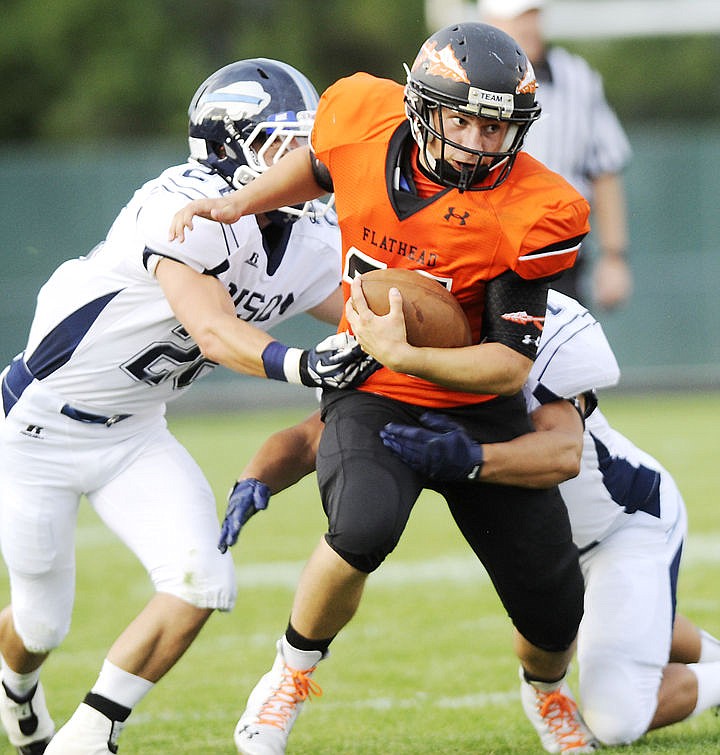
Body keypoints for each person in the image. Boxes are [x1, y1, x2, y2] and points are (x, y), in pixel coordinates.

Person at [171, 22, 598, 754]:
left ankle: (548, 692)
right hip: (371, 386)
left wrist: (410, 351)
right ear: (421, 109)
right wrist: (242, 202)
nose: (479, 141)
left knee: (555, 604)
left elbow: (508, 365)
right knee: (362, 526)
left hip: (474, 403)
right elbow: (319, 164)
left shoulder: (533, 209)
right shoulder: (362, 116)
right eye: (462, 119)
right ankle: (289, 672)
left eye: (498, 127)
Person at [0, 58, 375, 755]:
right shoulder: (180, 206)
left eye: (309, 144)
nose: (305, 160)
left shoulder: (309, 237)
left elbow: (368, 312)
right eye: (285, 143)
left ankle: (87, 735)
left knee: (203, 577)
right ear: (229, 145)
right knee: (42, 626)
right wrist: (301, 365)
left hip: (137, 433)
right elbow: (212, 330)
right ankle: (13, 687)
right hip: (39, 431)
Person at [222, 289, 720, 752]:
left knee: (616, 721)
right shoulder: (402, 319)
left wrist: (474, 458)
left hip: (621, 529)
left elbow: (564, 452)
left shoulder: (532, 322)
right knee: (609, 620)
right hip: (559, 540)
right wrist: (256, 478)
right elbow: (315, 437)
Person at [479, 0, 633, 311]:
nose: (527, 26)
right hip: (484, 253)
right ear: (490, 20)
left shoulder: (577, 77)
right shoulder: (469, 77)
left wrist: (614, 257)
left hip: (559, 254)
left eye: (532, 15)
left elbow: (604, 168)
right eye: (517, 18)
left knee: (560, 354)